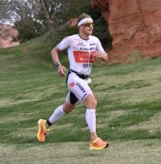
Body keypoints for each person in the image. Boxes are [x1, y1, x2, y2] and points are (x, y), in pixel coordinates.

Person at [36, 13, 110, 150]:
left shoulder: (95, 40)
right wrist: (58, 66)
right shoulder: (71, 39)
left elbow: (106, 57)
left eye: (92, 24)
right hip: (74, 78)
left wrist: (102, 56)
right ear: (80, 26)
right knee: (92, 102)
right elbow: (54, 51)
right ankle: (94, 139)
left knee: (68, 108)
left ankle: (44, 125)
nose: (91, 27)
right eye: (87, 25)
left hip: (85, 80)